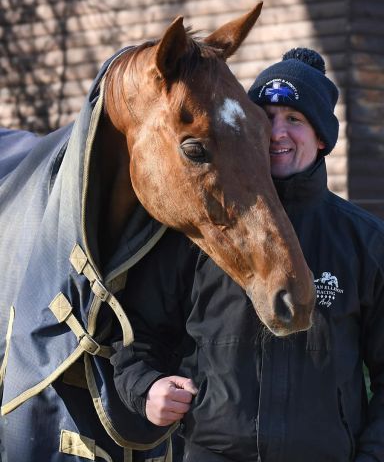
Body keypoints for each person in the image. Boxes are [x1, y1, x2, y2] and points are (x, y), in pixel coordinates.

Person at [111, 48, 384, 461]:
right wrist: (147, 389)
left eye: (294, 120)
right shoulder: (201, 229)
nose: (277, 133)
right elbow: (136, 338)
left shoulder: (363, 241)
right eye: (267, 118)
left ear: (322, 137)